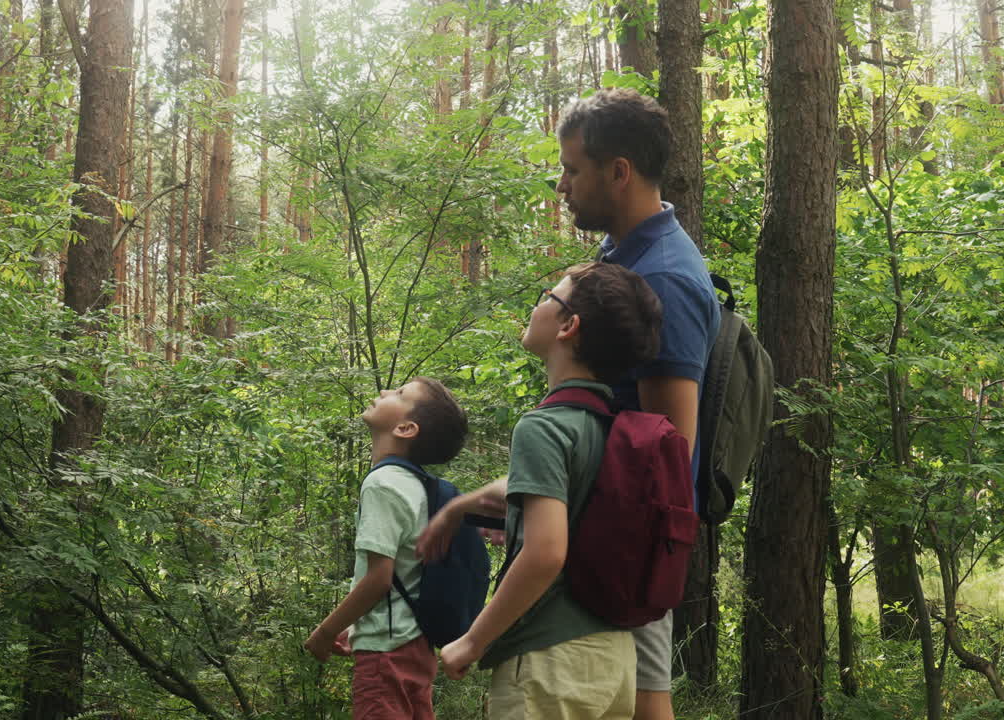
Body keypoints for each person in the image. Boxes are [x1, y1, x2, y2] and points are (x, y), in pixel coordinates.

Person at [419, 88, 720, 720]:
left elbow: (665, 462)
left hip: (614, 562)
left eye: (572, 169)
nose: (562, 186)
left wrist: (552, 524)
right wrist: (502, 505)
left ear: (619, 172)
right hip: (589, 560)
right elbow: (599, 439)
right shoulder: (623, 258)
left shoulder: (663, 275)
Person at [426, 262, 664, 720]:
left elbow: (547, 553)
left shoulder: (544, 427)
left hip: (549, 664)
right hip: (614, 659)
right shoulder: (614, 429)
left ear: (568, 326)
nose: (537, 305)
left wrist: (474, 640)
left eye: (547, 297)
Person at [304, 376, 469, 720]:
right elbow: (407, 575)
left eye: (399, 393)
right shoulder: (419, 486)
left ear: (406, 428)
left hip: (386, 655)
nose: (384, 391)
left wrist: (326, 631)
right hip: (416, 645)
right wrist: (359, 625)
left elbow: (380, 579)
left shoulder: (382, 483)